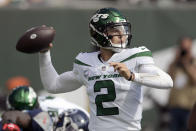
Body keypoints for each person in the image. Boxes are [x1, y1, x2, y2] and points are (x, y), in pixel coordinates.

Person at [38, 8, 173, 131]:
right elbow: (53, 85)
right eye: (115, 31)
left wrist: (132, 76)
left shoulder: (135, 56)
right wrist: (44, 53)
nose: (122, 35)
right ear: (98, 33)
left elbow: (167, 82)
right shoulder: (85, 62)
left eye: (124, 30)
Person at [167, 36, 196, 131]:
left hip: (190, 107)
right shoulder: (174, 64)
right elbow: (167, 80)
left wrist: (186, 64)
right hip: (175, 106)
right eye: (182, 48)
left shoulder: (194, 62)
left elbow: (194, 79)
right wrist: (176, 60)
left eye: (186, 48)